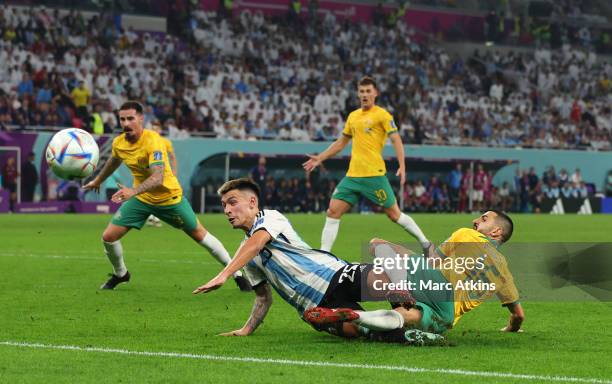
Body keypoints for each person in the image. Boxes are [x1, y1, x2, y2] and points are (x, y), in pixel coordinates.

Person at [193, 178, 410, 338]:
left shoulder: (271, 217)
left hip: (334, 275)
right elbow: (263, 298)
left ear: (252, 202)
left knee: (382, 281)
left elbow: (257, 242)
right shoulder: (245, 255)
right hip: (314, 309)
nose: (227, 210)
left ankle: (416, 307)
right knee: (369, 333)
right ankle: (410, 332)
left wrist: (224, 274)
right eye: (223, 205)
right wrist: (246, 330)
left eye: (232, 202)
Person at [83, 101, 250, 291]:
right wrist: (98, 180)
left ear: (140, 119)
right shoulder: (119, 143)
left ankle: (236, 274)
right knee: (108, 236)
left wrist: (132, 191)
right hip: (141, 199)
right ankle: (121, 274)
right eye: (122, 119)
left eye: (130, 118)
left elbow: (158, 178)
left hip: (169, 199)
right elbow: (114, 160)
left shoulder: (153, 141)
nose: (126, 123)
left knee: (200, 235)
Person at [306, 210, 525, 343]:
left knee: (378, 245)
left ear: (496, 232)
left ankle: (396, 289)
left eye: (484, 219)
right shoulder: (504, 273)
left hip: (434, 284)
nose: (476, 220)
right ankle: (357, 317)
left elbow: (431, 262)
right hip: (446, 317)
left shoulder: (467, 234)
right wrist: (510, 328)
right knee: (405, 316)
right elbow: (518, 316)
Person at [303, 76, 429, 253]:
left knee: (395, 215)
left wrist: (402, 165)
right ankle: (325, 255)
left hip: (374, 175)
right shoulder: (353, 116)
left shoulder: (383, 115)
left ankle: (425, 243)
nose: (364, 94)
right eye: (362, 91)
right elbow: (340, 143)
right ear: (358, 93)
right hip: (353, 176)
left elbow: (396, 140)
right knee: (333, 212)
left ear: (375, 93)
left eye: (368, 91)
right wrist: (320, 158)